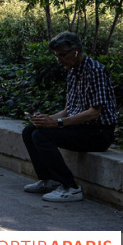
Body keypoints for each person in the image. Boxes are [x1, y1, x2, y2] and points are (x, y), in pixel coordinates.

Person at [22, 32, 117, 202]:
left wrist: (57, 123)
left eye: (62, 55)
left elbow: (94, 112)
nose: (59, 61)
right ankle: (49, 180)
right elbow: (68, 110)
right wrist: (45, 119)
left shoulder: (96, 70)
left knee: (41, 136)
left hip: (99, 132)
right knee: (29, 131)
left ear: (76, 51)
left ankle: (70, 187)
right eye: (56, 56)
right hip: (80, 128)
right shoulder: (73, 72)